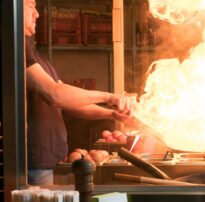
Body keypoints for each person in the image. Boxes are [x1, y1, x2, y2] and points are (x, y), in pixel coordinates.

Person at [24, 0, 132, 185]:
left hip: (48, 161)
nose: (37, 14)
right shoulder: (18, 51)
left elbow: (70, 104)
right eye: (30, 6)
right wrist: (108, 96)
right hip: (34, 164)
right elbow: (55, 95)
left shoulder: (34, 55)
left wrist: (112, 113)